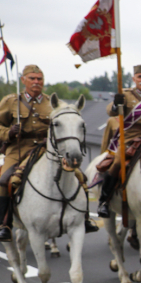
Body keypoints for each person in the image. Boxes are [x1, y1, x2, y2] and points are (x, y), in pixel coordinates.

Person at [0, 65, 98, 241]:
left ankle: (85, 218)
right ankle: (4, 223)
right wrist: (9, 133)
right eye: (32, 78)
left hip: (46, 149)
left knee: (79, 176)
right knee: (5, 179)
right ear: (23, 80)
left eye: (40, 79)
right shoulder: (10, 101)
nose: (36, 82)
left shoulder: (53, 103)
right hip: (18, 148)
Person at [96, 64, 141, 218]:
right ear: (134, 79)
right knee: (118, 162)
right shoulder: (125, 95)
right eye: (140, 77)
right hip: (130, 139)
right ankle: (104, 201)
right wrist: (115, 104)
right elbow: (110, 111)